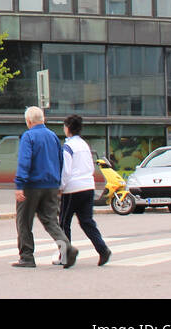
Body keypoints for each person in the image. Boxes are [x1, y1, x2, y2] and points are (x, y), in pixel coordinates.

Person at [13, 106, 76, 268]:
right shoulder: (53, 136)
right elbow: (60, 161)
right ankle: (66, 248)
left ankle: (27, 256)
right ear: (43, 119)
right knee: (50, 221)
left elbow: (24, 161)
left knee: (24, 221)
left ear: (28, 121)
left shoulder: (29, 136)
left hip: (31, 185)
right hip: (51, 185)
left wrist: (20, 185)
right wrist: (58, 183)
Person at [60, 114, 111, 266]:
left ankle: (66, 254)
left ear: (67, 128)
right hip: (88, 186)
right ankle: (103, 249)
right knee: (87, 221)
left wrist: (60, 187)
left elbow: (66, 170)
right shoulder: (84, 145)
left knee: (63, 223)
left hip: (72, 188)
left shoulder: (68, 146)